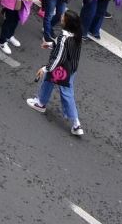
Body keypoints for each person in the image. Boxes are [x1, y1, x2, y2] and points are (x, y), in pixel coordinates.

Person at [25, 8, 84, 137]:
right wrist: (51, 45)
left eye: (63, 17)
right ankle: (75, 122)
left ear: (67, 22)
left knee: (59, 88)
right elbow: (65, 49)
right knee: (58, 88)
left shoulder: (64, 36)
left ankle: (75, 123)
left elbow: (59, 57)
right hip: (71, 69)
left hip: (61, 69)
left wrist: (45, 68)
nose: (61, 17)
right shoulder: (77, 34)